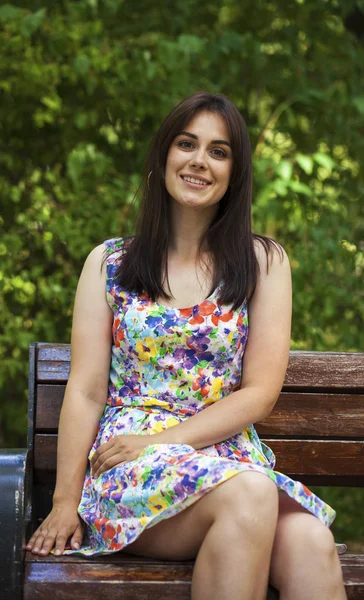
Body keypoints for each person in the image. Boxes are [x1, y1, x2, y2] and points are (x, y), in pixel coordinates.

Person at [24, 91, 347, 599]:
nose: (200, 161)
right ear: (163, 157)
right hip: (129, 465)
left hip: (224, 457)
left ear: (234, 172)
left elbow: (259, 394)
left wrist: (164, 441)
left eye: (218, 151)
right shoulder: (110, 264)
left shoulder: (263, 263)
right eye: (186, 144)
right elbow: (85, 391)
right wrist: (65, 499)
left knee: (310, 540)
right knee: (250, 494)